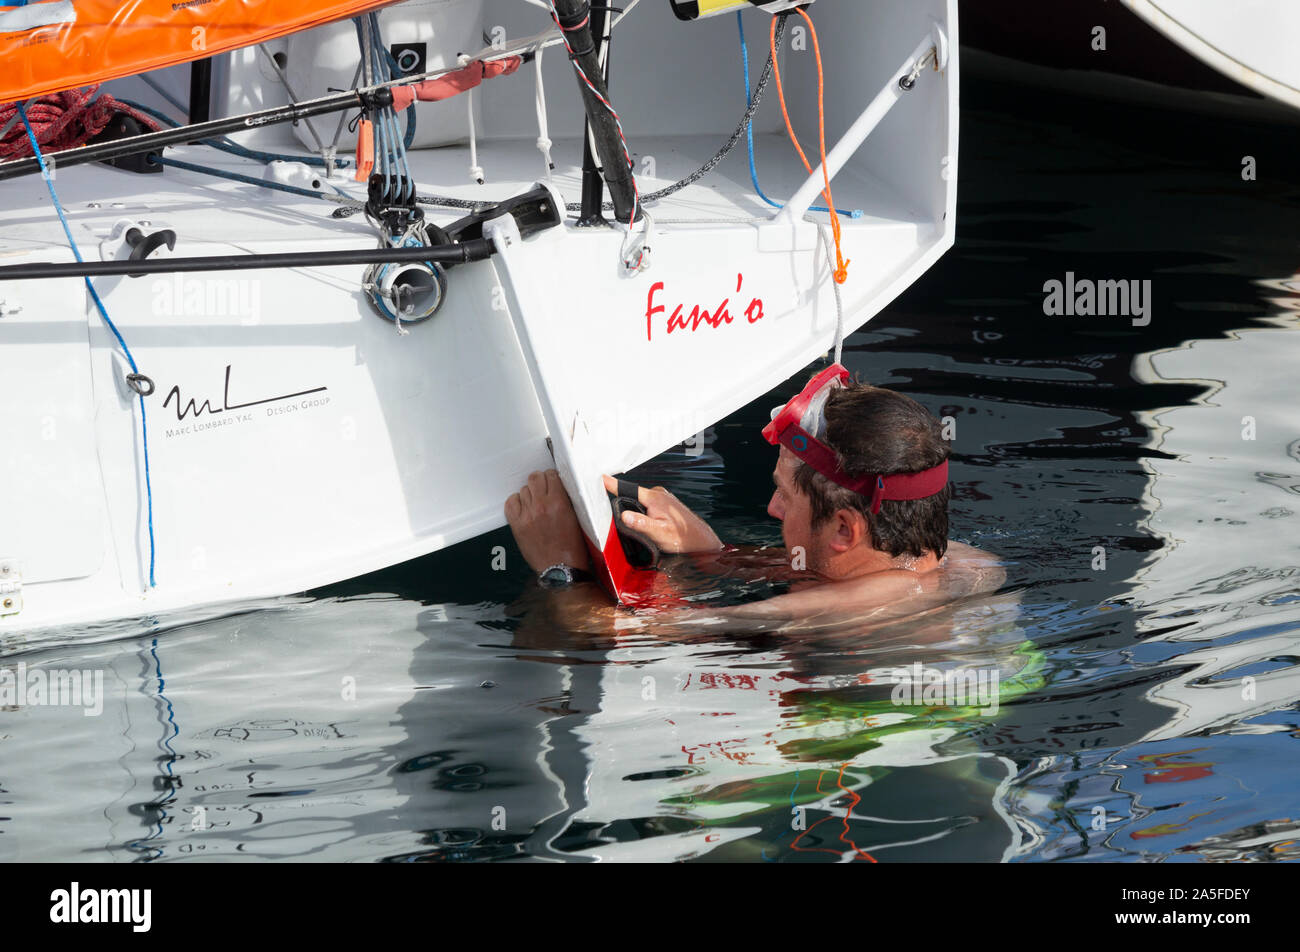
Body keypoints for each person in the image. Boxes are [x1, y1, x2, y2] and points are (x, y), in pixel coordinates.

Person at [504, 365, 1005, 634]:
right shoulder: (967, 564)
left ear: (845, 530)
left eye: (785, 495)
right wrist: (709, 552)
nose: (771, 508)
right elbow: (818, 567)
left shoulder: (827, 610)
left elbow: (616, 631)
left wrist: (562, 567)